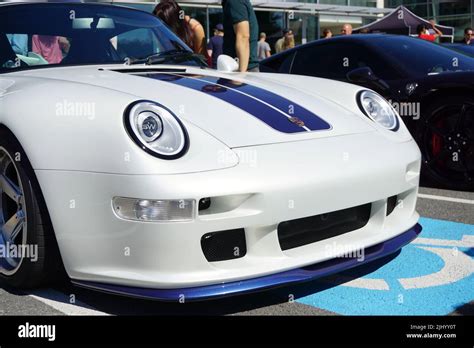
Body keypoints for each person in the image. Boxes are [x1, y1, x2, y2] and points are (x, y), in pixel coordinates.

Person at [222, 0, 259, 72]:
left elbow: (243, 37)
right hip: (242, 68)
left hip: (241, 69)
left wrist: (241, 74)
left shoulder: (235, 2)